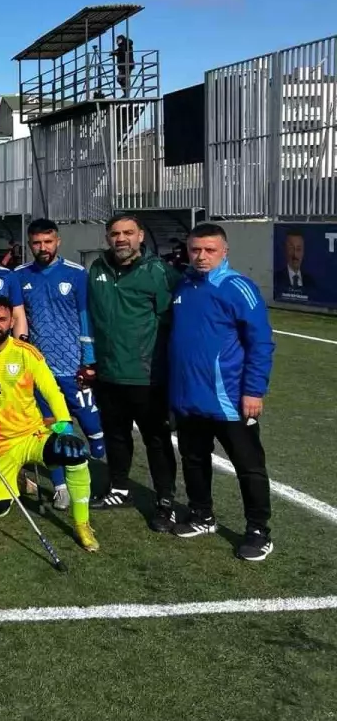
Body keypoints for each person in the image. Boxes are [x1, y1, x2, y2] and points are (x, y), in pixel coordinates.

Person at [168, 223, 276, 560]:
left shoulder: (237, 287)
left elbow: (261, 343)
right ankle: (203, 515)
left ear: (224, 251)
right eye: (195, 249)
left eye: (209, 250)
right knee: (194, 459)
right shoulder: (183, 285)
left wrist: (254, 391)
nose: (201, 256)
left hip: (229, 399)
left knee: (249, 466)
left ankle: (259, 530)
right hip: (188, 399)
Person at [0, 296, 98, 552]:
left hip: (30, 435)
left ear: (12, 322)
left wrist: (65, 426)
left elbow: (52, 391)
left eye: (2, 319)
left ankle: (82, 523)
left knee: (75, 454)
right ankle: (18, 481)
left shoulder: (27, 353)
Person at [86, 213, 179, 531]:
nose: (121, 239)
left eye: (128, 232)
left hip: (147, 377)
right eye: (115, 233)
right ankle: (119, 489)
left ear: (141, 236)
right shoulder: (97, 268)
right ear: (107, 238)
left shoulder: (160, 274)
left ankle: (166, 502)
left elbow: (172, 327)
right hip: (108, 374)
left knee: (156, 440)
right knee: (116, 436)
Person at [15, 219, 105, 511]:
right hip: (40, 372)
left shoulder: (77, 274)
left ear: (58, 241)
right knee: (51, 431)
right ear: (30, 244)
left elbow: (85, 317)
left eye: (48, 241)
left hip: (73, 369)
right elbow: (20, 319)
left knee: (92, 427)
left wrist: (89, 361)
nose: (43, 248)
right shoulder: (20, 275)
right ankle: (60, 487)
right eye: (37, 243)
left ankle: (101, 480)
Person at [274, 229, 313, 294]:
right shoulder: (276, 279)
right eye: (291, 248)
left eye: (298, 249)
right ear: (285, 250)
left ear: (303, 252)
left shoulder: (310, 282)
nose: (295, 254)